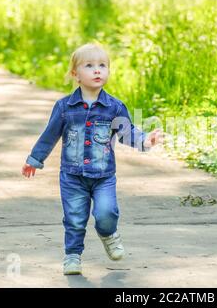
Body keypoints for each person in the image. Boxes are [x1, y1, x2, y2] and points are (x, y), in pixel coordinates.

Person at [21, 43, 163, 275]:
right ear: (75, 74)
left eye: (102, 65)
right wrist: (34, 159)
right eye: (89, 66)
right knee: (74, 218)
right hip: (72, 177)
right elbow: (50, 135)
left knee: (107, 213)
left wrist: (146, 140)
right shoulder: (65, 107)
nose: (97, 70)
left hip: (103, 176)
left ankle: (108, 234)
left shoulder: (115, 107)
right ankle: (73, 256)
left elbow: (127, 133)